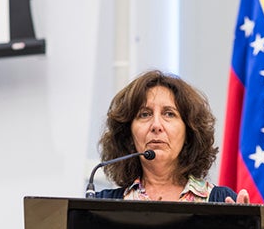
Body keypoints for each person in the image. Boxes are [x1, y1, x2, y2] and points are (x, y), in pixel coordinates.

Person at [94, 70, 249, 203]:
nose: (156, 125)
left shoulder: (223, 202)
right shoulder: (101, 204)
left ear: (189, 131)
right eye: (145, 114)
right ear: (129, 135)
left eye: (169, 114)